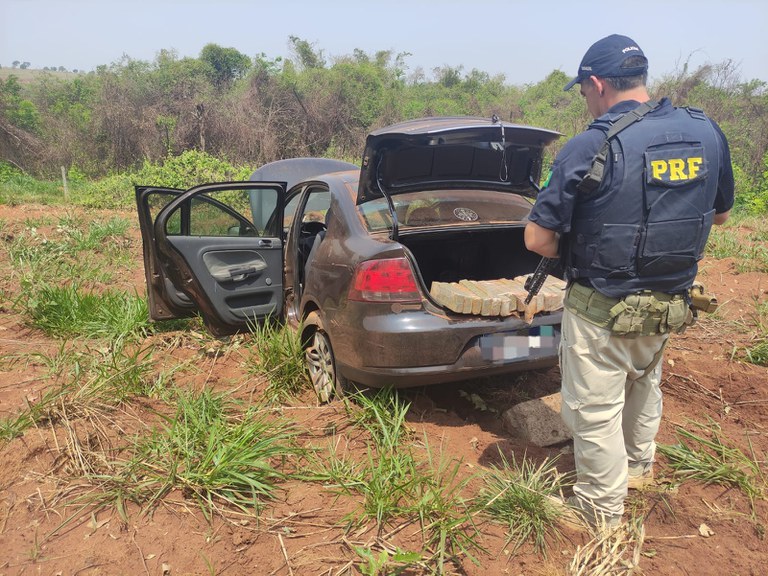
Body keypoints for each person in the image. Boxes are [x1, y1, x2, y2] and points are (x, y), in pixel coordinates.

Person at [524, 34, 734, 528]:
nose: (587, 101)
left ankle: (598, 508)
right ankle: (637, 468)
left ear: (597, 84)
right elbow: (721, 216)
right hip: (672, 302)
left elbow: (537, 239)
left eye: (584, 92)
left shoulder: (591, 144)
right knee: (644, 384)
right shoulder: (706, 131)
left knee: (594, 407)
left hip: (603, 307)